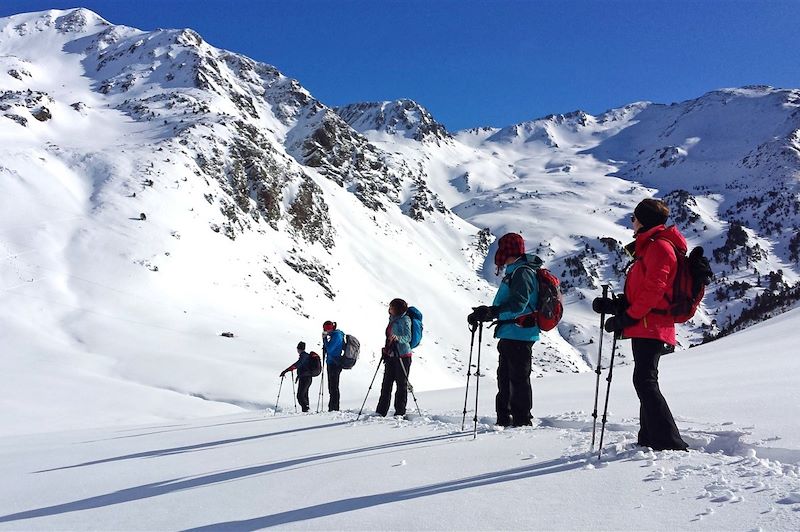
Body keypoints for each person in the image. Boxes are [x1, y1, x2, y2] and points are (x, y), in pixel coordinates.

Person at [598, 198, 689, 451]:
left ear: (643, 220)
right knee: (644, 379)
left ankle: (668, 441)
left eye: (634, 218)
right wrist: (618, 307)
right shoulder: (651, 247)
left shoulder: (659, 247)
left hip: (652, 324)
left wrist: (629, 317)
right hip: (648, 323)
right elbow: (642, 292)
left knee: (645, 380)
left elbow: (654, 291)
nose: (631, 222)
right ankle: (649, 437)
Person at [468, 233, 541, 427]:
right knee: (507, 378)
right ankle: (506, 419)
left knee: (516, 379)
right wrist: (489, 313)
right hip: (512, 332)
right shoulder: (516, 270)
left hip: (518, 332)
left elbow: (518, 304)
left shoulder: (522, 272)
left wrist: (493, 312)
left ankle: (521, 421)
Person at [376, 298, 413, 417]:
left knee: (401, 384)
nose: (389, 309)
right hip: (391, 354)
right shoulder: (392, 319)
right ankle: (381, 411)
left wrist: (397, 338)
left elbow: (408, 337)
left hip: (403, 355)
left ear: (396, 309)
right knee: (386, 383)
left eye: (391, 306)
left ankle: (400, 412)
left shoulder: (405, 320)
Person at [280, 341, 314, 412]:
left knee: (300, 396)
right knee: (304, 394)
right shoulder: (306, 356)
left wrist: (286, 370)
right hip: (306, 378)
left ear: (298, 349)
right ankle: (306, 410)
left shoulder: (304, 356)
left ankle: (306, 409)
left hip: (305, 378)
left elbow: (297, 364)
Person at [322, 320, 344, 411]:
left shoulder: (336, 335)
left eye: (326, 329)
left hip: (334, 363)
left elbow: (330, 349)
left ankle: (334, 408)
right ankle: (333, 407)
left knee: (333, 386)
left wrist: (324, 339)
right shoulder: (335, 335)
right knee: (332, 386)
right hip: (333, 362)